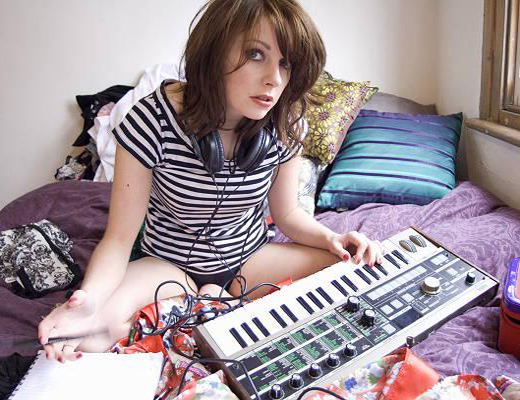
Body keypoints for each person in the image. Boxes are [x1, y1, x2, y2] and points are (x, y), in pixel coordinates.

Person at [39, 0, 384, 362]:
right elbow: (119, 238)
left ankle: (211, 304)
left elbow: (287, 215)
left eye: (286, 63)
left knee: (352, 273)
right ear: (215, 51)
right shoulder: (150, 121)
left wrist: (332, 239)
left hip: (250, 260)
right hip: (167, 265)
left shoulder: (287, 122)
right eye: (255, 54)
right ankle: (208, 304)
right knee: (88, 337)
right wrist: (90, 299)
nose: (274, 79)